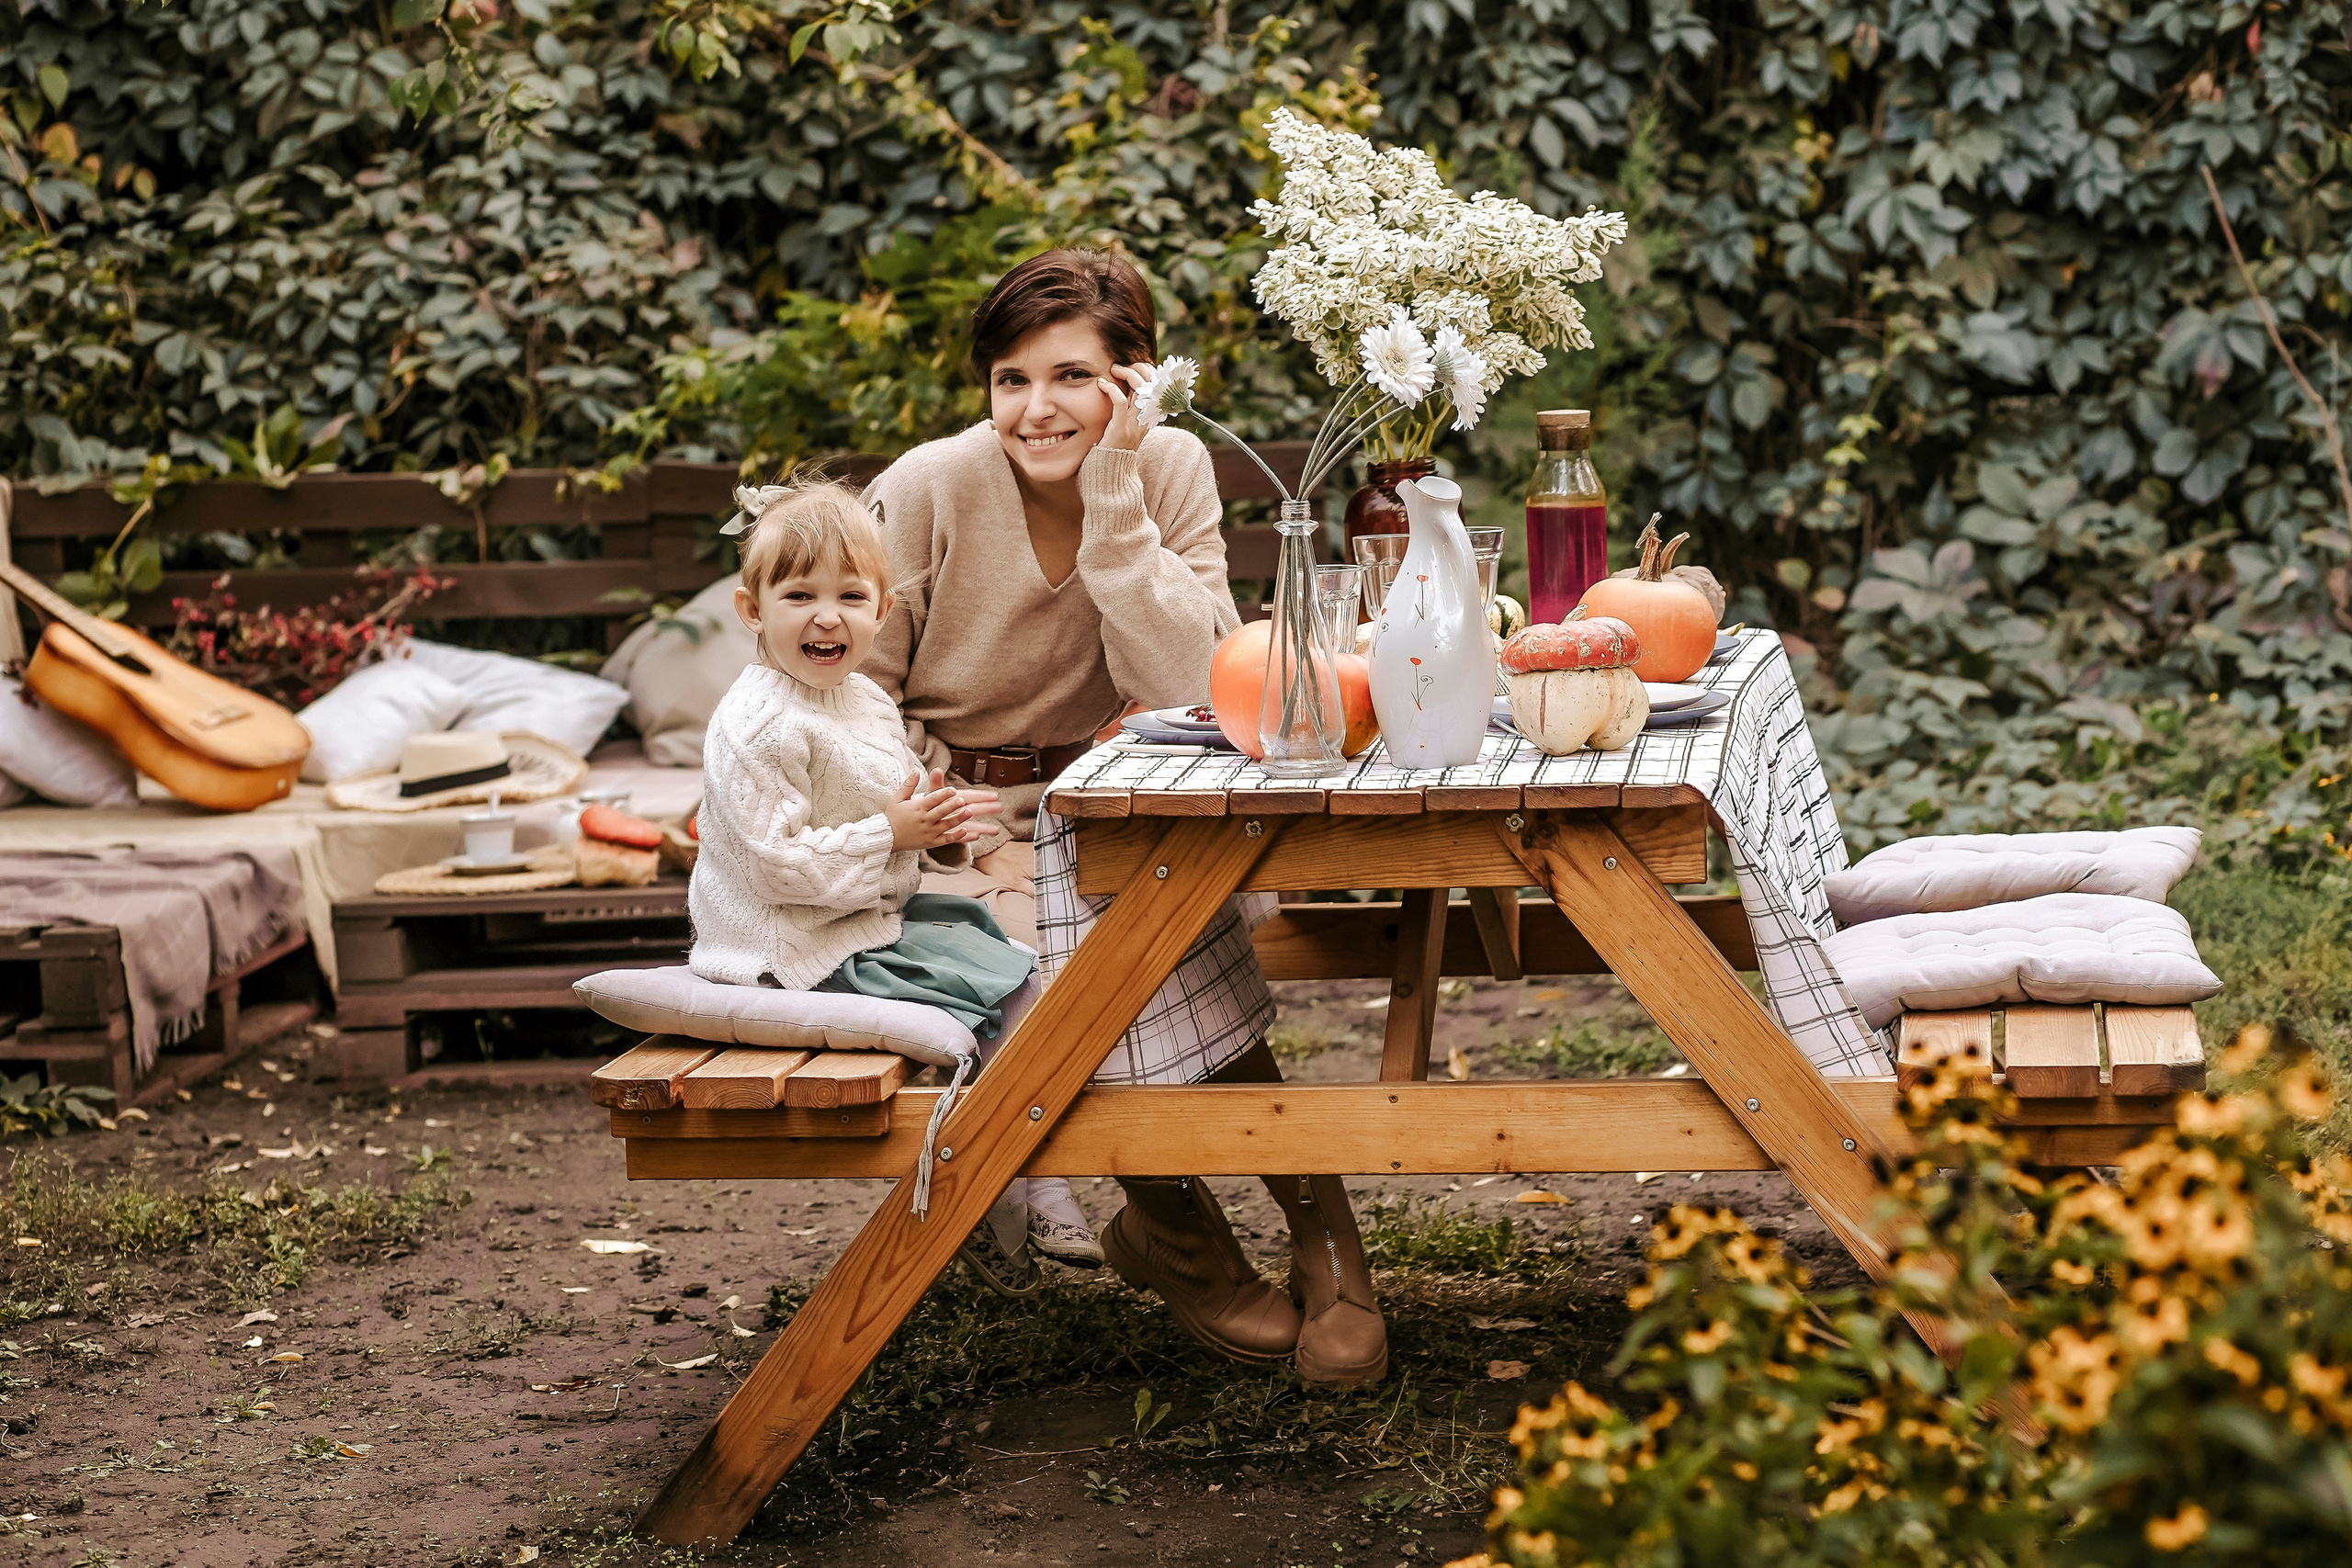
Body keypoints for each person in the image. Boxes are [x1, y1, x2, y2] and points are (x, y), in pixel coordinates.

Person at [860, 247, 1388, 1385]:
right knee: (1083, 967)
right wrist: (956, 817)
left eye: (1068, 377)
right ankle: (1184, 1237)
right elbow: (855, 692)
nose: (1035, 409)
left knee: (1167, 933)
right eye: (1010, 379)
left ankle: (1320, 1241)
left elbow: (1194, 675)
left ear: (1132, 383)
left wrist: (1115, 499)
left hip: (1123, 798)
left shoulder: (1172, 466)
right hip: (956, 816)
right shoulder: (928, 487)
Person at [686, 478, 1096, 1269]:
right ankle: (1001, 1191)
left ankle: (1025, 1179)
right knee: (983, 1003)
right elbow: (776, 866)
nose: (826, 615)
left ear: (881, 610)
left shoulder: (863, 703)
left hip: (862, 918)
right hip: (791, 946)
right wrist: (891, 831)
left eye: (851, 594)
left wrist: (940, 828)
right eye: (799, 594)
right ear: (752, 610)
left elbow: (899, 804)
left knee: (1022, 977)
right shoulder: (757, 724)